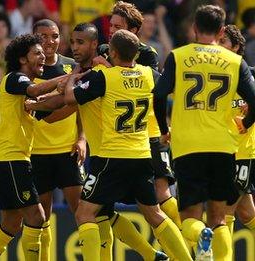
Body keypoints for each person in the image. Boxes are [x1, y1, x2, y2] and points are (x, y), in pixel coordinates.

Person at [67, 29, 192, 261]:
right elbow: (166, 90)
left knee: (84, 214)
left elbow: (68, 99)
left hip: (112, 157)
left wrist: (72, 80)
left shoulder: (105, 77)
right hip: (143, 155)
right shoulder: (148, 74)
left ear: (112, 52)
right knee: (154, 214)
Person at [153, 5, 255, 260]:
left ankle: (200, 236)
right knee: (220, 218)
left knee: (190, 218)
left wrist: (164, 129)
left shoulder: (178, 56)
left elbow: (159, 94)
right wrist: (247, 122)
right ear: (221, 31)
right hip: (223, 147)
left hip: (188, 146)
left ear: (194, 28)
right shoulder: (235, 61)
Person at [0, 33, 71, 261]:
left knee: (11, 223)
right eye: (37, 53)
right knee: (37, 217)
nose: (43, 56)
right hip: (11, 160)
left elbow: (51, 106)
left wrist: (78, 92)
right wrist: (69, 78)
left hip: (9, 160)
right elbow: (37, 91)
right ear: (22, 59)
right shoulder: (14, 79)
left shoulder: (21, 94)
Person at [98, 2, 180, 258]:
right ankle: (156, 252)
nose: (112, 31)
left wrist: (107, 68)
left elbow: (142, 87)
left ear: (134, 30)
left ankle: (191, 235)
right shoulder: (103, 49)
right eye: (111, 26)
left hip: (148, 134)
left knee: (160, 196)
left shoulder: (147, 54)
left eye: (118, 27)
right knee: (100, 209)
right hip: (111, 138)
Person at [31, 19, 84, 261]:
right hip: (37, 152)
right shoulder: (28, 72)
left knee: (83, 213)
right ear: (34, 38)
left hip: (68, 151)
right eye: (43, 36)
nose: (49, 41)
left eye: (53, 36)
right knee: (42, 217)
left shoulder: (72, 67)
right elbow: (45, 115)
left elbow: (84, 108)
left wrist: (82, 139)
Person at [219, 24, 255, 238]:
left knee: (224, 210)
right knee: (247, 212)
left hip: (243, 153)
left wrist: (248, 119)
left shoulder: (248, 75)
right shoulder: (214, 75)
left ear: (237, 47)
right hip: (223, 152)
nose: (218, 45)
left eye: (223, 41)